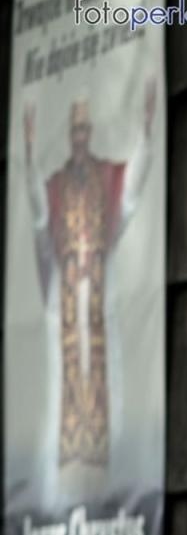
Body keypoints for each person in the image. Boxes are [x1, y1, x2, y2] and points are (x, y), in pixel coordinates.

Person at [22, 85, 156, 490]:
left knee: (103, 377)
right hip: (66, 303)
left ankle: (102, 475)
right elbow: (41, 218)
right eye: (74, 131)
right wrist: (28, 155)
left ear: (90, 133)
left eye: (84, 130)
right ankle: (61, 479)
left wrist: (146, 130)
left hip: (99, 298)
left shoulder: (104, 176)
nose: (79, 138)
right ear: (69, 137)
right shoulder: (57, 184)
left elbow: (129, 191)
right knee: (62, 382)